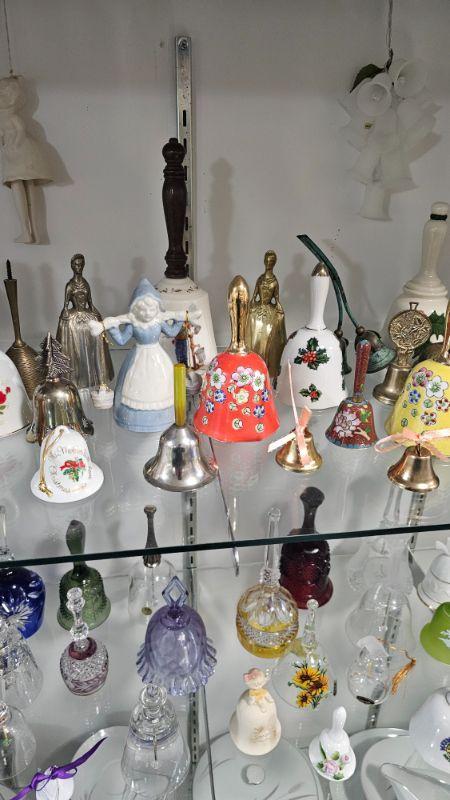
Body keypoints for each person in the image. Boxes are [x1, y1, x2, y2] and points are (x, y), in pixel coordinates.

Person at [90, 278, 190, 432]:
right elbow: (122, 340)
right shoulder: (134, 324)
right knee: (134, 385)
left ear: (157, 308)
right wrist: (113, 328)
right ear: (135, 309)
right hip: (139, 357)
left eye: (151, 310)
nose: (147, 313)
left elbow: (171, 332)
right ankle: (135, 418)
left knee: (163, 385)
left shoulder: (158, 322)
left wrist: (179, 321)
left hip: (157, 357)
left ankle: (162, 416)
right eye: (142, 310)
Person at [0, 76, 53, 243]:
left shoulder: (7, 117)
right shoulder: (9, 116)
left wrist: (12, 145)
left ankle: (28, 231)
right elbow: (18, 130)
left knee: (19, 183)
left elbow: (19, 130)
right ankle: (33, 232)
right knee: (27, 184)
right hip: (22, 152)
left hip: (16, 153)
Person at [57, 254, 114, 390]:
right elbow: (66, 305)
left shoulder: (86, 283)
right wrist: (65, 315)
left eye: (81, 265)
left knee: (97, 321)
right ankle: (74, 375)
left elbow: (90, 302)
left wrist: (97, 316)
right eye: (76, 265)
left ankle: (98, 373)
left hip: (86, 313)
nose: (79, 267)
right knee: (69, 325)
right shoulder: (70, 285)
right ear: (72, 266)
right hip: (74, 314)